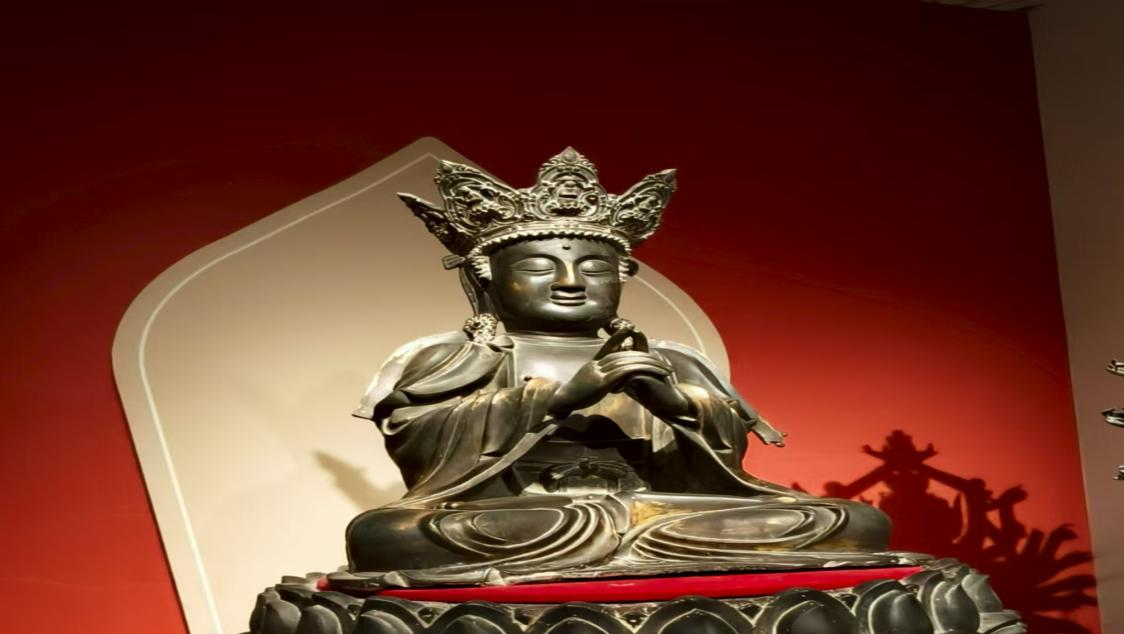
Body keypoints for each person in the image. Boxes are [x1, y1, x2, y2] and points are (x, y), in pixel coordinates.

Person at [345, 149, 891, 584]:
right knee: (390, 535)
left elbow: (724, 465)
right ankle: (613, 545)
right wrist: (559, 397)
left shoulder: (670, 358)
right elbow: (420, 449)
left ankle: (621, 545)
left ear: (623, 274)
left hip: (657, 510)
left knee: (851, 522)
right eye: (540, 267)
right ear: (486, 272)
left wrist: (679, 406)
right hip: (522, 514)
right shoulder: (448, 355)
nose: (570, 282)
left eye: (594, 269)